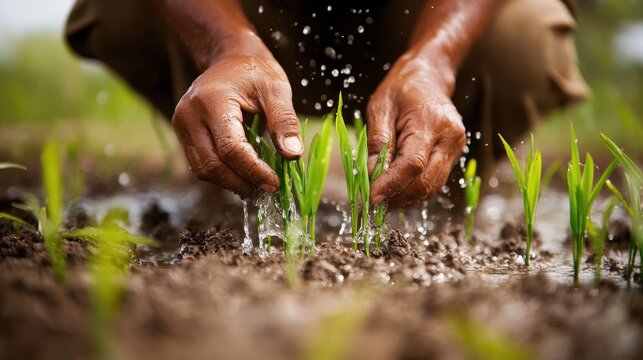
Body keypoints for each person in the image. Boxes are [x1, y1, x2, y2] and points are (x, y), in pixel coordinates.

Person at [65, 0, 588, 208]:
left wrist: (437, 57)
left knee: (526, 40)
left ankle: (440, 180)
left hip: (414, 15)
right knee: (121, 11)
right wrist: (226, 44)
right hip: (255, 15)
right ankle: (231, 160)